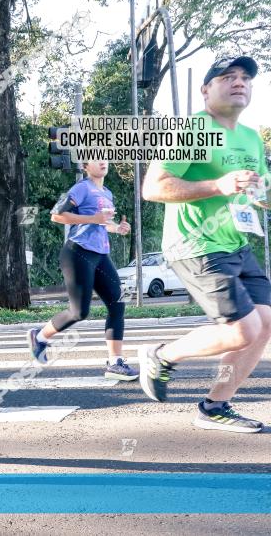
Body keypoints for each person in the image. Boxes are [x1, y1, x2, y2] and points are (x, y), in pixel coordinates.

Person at [141, 56, 268, 432]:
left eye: (245, 77)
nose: (239, 82)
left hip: (235, 242)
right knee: (242, 329)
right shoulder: (194, 129)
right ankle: (161, 355)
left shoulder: (250, 137)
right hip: (195, 243)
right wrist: (218, 184)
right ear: (206, 90)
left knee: (265, 324)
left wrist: (260, 191)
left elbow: (263, 191)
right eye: (227, 77)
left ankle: (215, 407)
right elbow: (153, 187)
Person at [27, 161, 136, 380]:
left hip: (100, 254)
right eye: (97, 158)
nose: (103, 161)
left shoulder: (107, 192)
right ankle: (39, 337)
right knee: (79, 312)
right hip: (77, 253)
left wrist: (117, 228)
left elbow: (103, 224)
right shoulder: (81, 188)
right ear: (86, 165)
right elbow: (57, 215)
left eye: (105, 156)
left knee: (118, 303)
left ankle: (115, 363)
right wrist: (92, 218)